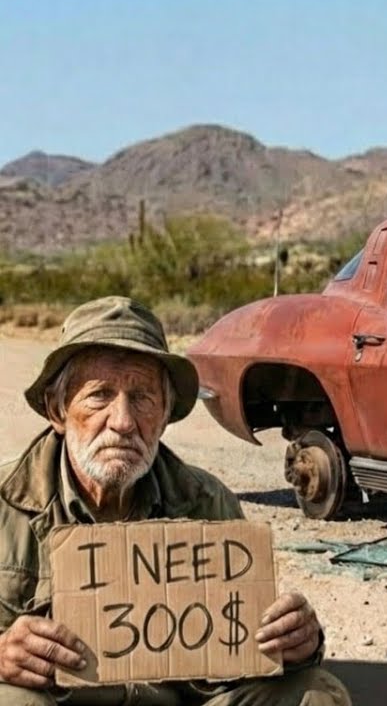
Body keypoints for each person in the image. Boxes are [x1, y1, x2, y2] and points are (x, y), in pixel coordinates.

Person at [0, 297, 351, 705]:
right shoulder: (5, 502)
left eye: (143, 398)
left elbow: (244, 649)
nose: (123, 421)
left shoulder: (206, 501)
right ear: (57, 411)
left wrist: (300, 644)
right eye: (99, 396)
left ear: (165, 415)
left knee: (315, 695)